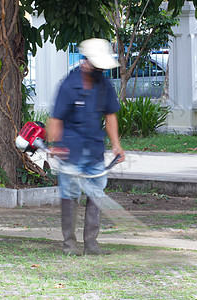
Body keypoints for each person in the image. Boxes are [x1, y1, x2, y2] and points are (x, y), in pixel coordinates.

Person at [46, 38, 125, 256]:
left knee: (95, 194)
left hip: (94, 150)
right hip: (71, 151)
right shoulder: (69, 85)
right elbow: (56, 119)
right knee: (70, 195)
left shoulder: (104, 84)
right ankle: (69, 245)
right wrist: (55, 144)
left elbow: (110, 115)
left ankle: (91, 244)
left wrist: (116, 145)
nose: (100, 69)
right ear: (86, 62)